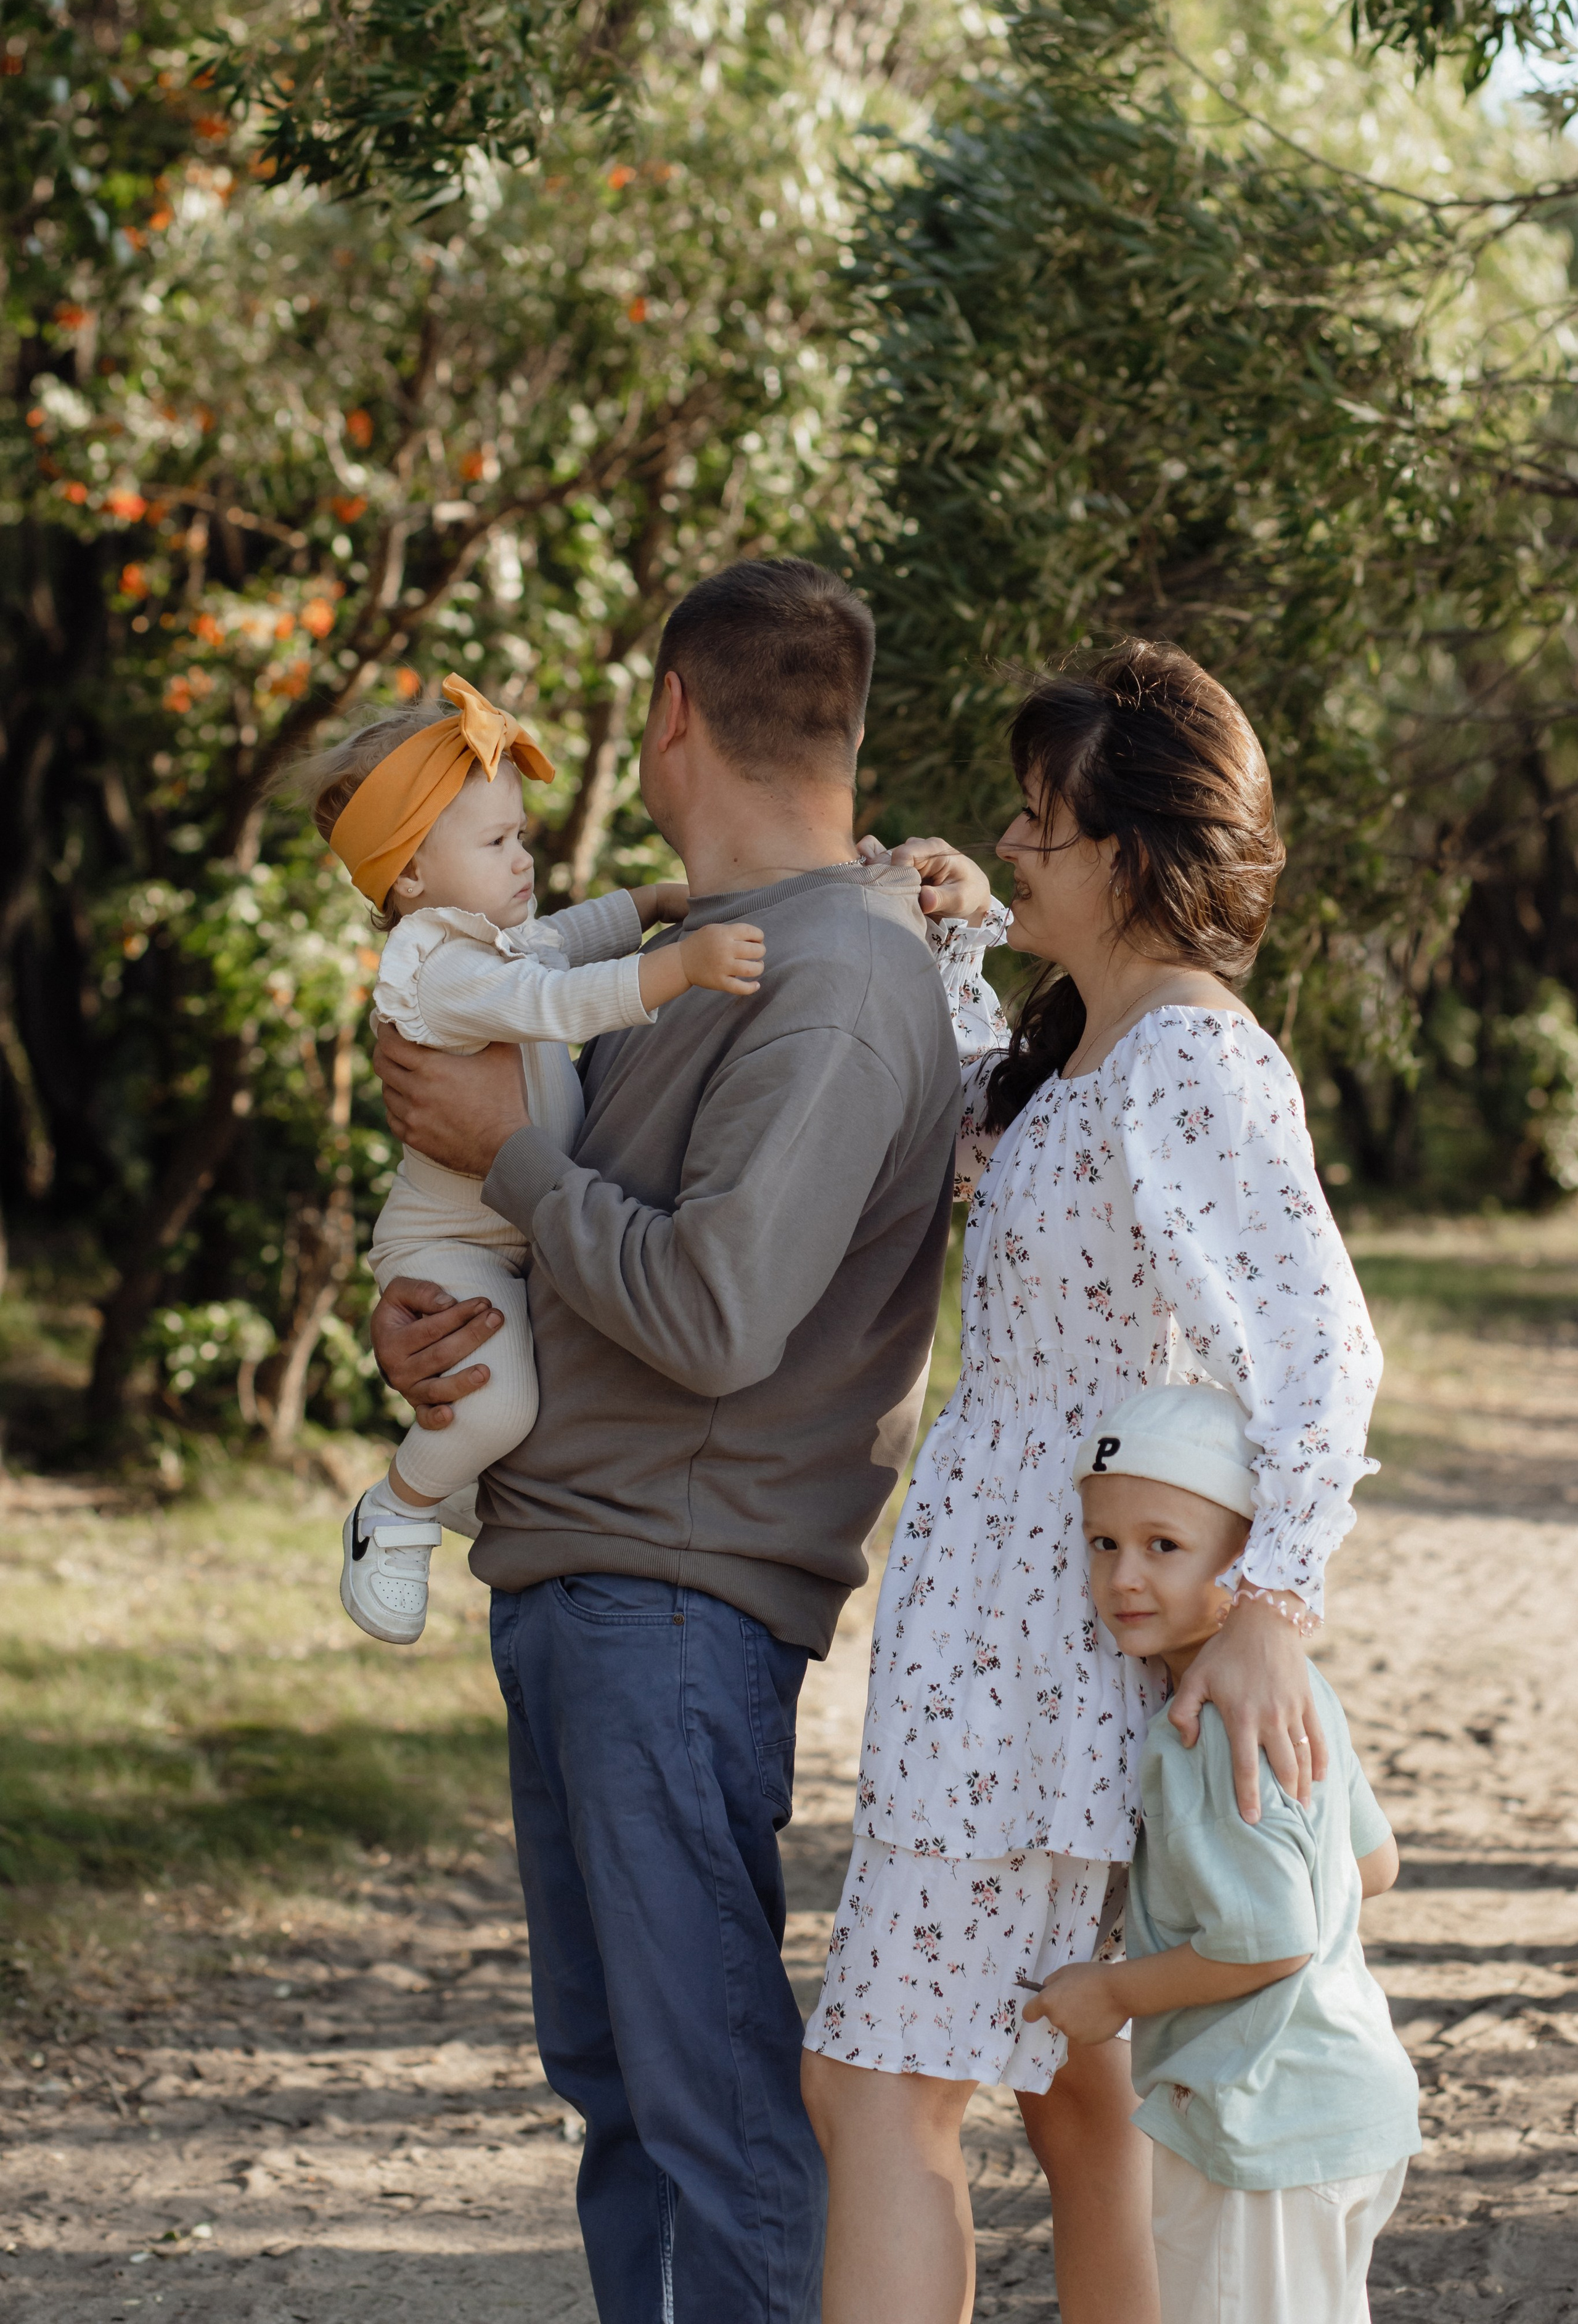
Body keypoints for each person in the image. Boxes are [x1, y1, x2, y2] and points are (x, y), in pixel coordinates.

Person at [364, 559, 965, 2324]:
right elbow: (589, 1242)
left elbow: (713, 1313)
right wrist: (443, 1319)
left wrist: (511, 1158)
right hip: (586, 1580)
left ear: (674, 715)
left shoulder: (841, 983)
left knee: (707, 2114)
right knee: (625, 2099)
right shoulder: (688, 955)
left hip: (676, 1606)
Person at [801, 642, 1384, 2324]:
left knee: (879, 2088)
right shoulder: (1104, 1057)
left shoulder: (1194, 1059)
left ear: (1132, 850)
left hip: (1039, 1654)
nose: (1018, 840)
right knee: (1076, 2089)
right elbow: (988, 1141)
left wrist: (1275, 1606)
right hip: (1022, 1628)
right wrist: (958, 929)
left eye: (1040, 821)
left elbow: (1323, 1348)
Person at [296, 671, 763, 1646]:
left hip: (507, 1233)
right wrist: (680, 963)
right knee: (498, 1399)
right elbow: (556, 999)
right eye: (499, 843)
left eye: (523, 837)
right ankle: (398, 1510)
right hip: (454, 1246)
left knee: (525, 1390)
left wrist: (646, 901)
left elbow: (556, 940)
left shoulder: (485, 941)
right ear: (412, 877)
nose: (523, 860)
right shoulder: (447, 969)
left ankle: (464, 1471)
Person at [1022, 1378, 1418, 2324]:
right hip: (1346, 2101)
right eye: (1104, 1543)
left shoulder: (1201, 1729)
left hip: (1264, 2126)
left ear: (1248, 1558)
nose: (1124, 1576)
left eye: (1165, 1546)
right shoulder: (1294, 1693)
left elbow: (1270, 1938)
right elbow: (1373, 1864)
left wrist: (1111, 1992)